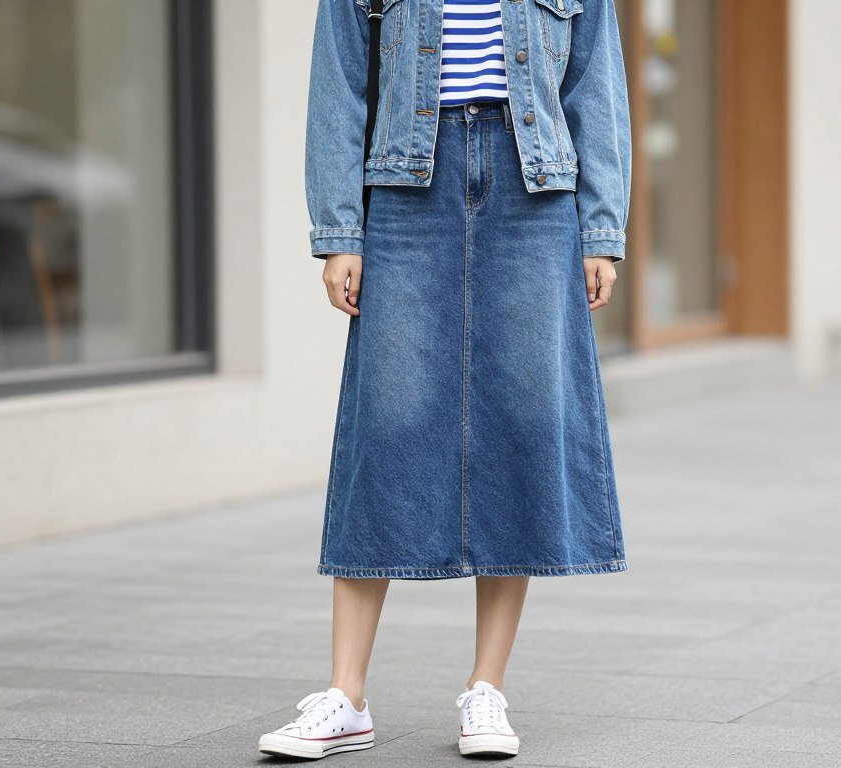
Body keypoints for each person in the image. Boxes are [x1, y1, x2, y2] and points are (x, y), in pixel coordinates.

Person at [259, 0, 630, 759]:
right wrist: (338, 231)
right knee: (386, 430)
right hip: (403, 193)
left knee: (520, 429)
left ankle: (485, 689)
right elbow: (337, 84)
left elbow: (596, 84)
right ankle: (345, 695)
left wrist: (602, 230)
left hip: (537, 195)